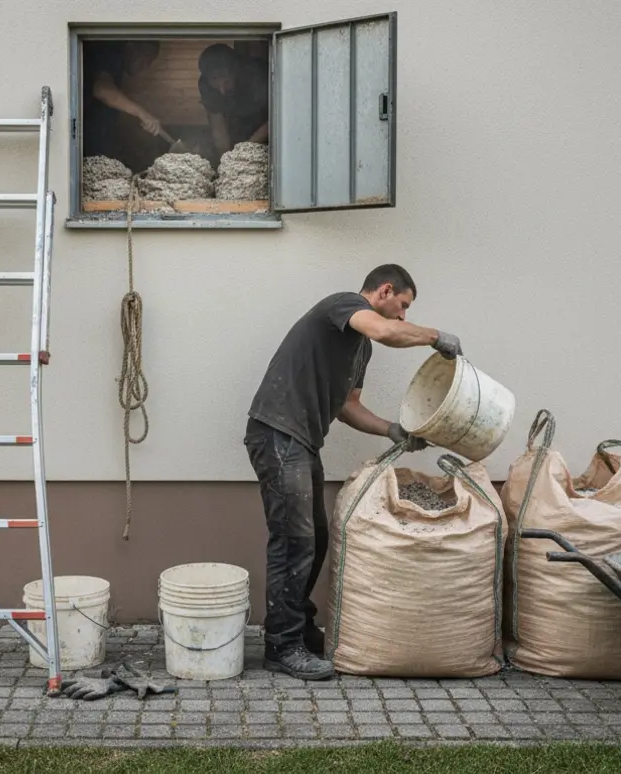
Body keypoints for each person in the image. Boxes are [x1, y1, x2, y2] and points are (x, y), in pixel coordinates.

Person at [242, 264, 464, 681]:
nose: (402, 316)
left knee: (315, 540)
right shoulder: (344, 306)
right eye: (402, 305)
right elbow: (386, 331)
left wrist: (394, 432)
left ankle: (297, 626)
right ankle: (282, 646)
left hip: (302, 441)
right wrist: (434, 336)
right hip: (277, 432)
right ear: (384, 291)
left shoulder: (361, 347)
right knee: (294, 541)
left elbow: (348, 406)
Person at [83, 41, 164, 169]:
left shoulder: (117, 66)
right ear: (131, 46)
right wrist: (143, 114)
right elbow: (102, 90)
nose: (146, 65)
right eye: (146, 57)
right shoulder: (111, 55)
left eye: (151, 61)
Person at [197, 44, 270, 160]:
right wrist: (226, 160)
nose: (222, 91)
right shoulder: (205, 85)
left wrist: (244, 150)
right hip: (235, 126)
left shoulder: (257, 74)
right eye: (216, 85)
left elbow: (277, 118)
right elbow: (218, 127)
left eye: (226, 82)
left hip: (267, 127)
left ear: (236, 71)